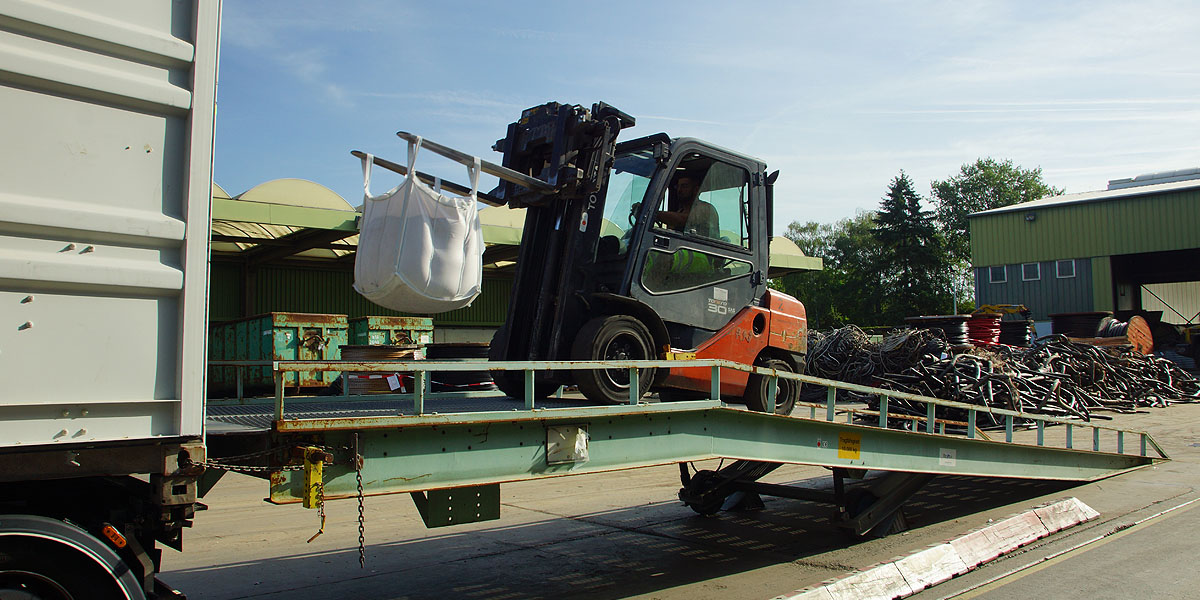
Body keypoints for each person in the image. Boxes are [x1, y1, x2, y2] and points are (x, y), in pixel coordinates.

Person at [657, 172, 719, 239]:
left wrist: (655, 214)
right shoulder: (681, 210)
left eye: (684, 186)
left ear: (696, 190)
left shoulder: (705, 208)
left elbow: (683, 220)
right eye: (678, 186)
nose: (679, 190)